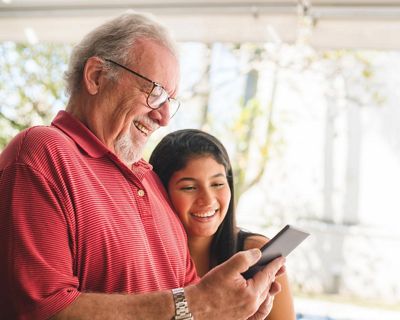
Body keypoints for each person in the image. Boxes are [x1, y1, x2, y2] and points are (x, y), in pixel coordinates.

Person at [0, 11, 286, 320]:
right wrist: (195, 304)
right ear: (97, 76)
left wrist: (234, 311)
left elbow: (190, 303)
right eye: (156, 93)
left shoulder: (148, 178)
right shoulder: (42, 152)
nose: (164, 118)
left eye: (170, 102)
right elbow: (41, 309)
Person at [149, 129, 296, 320]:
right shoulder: (144, 259)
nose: (208, 200)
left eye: (217, 184)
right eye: (189, 187)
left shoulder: (255, 253)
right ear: (159, 192)